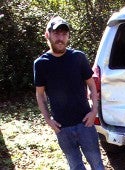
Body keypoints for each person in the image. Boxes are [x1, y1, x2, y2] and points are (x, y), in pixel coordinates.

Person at [33, 16, 104, 170]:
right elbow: (40, 94)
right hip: (62, 127)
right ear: (47, 35)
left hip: (85, 123)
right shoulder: (41, 64)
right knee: (75, 165)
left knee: (97, 164)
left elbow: (91, 84)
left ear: (68, 36)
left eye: (64, 34)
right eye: (57, 33)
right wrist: (48, 120)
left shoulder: (78, 57)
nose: (61, 38)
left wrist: (94, 111)